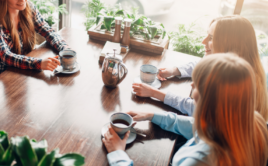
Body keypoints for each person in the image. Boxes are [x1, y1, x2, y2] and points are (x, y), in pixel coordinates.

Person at [104, 53, 268, 166]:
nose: (191, 85)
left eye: (196, 83)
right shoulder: (251, 120)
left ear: (209, 98)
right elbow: (198, 126)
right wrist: (152, 116)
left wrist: (117, 154)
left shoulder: (198, 160)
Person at [132, 15, 268, 120]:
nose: (203, 41)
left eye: (211, 37)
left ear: (231, 45)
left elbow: (196, 109)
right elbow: (201, 62)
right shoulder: (238, 64)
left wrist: (154, 93)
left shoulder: (233, 81)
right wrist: (174, 70)